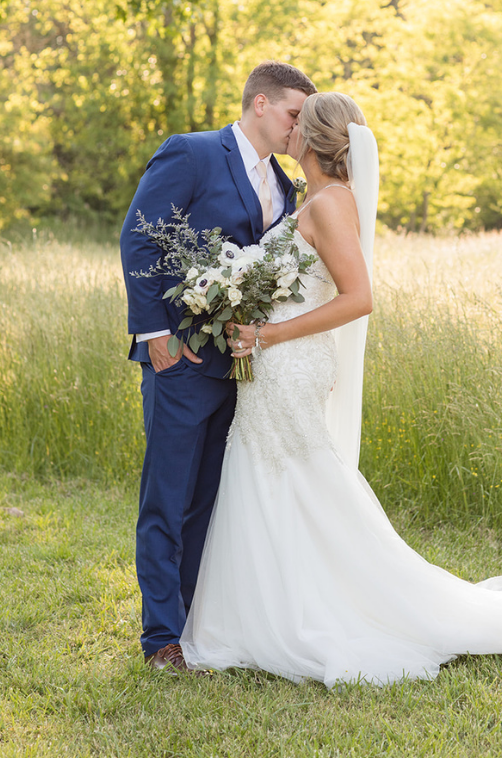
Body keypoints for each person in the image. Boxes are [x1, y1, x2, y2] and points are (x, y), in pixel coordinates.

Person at [179, 91, 502, 685]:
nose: (286, 134)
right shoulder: (317, 199)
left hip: (289, 362)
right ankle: (259, 610)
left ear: (309, 140)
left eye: (294, 126)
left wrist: (272, 333)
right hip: (274, 363)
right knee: (272, 479)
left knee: (296, 478)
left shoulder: (331, 204)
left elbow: (358, 299)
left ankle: (316, 611)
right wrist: (247, 318)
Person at [120, 61, 316, 673]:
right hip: (178, 358)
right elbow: (140, 236)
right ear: (260, 104)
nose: (297, 127)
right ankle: (160, 640)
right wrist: (155, 332)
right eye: (292, 114)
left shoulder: (285, 188)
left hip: (236, 370)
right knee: (167, 498)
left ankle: (191, 622)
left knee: (207, 500)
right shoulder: (192, 153)